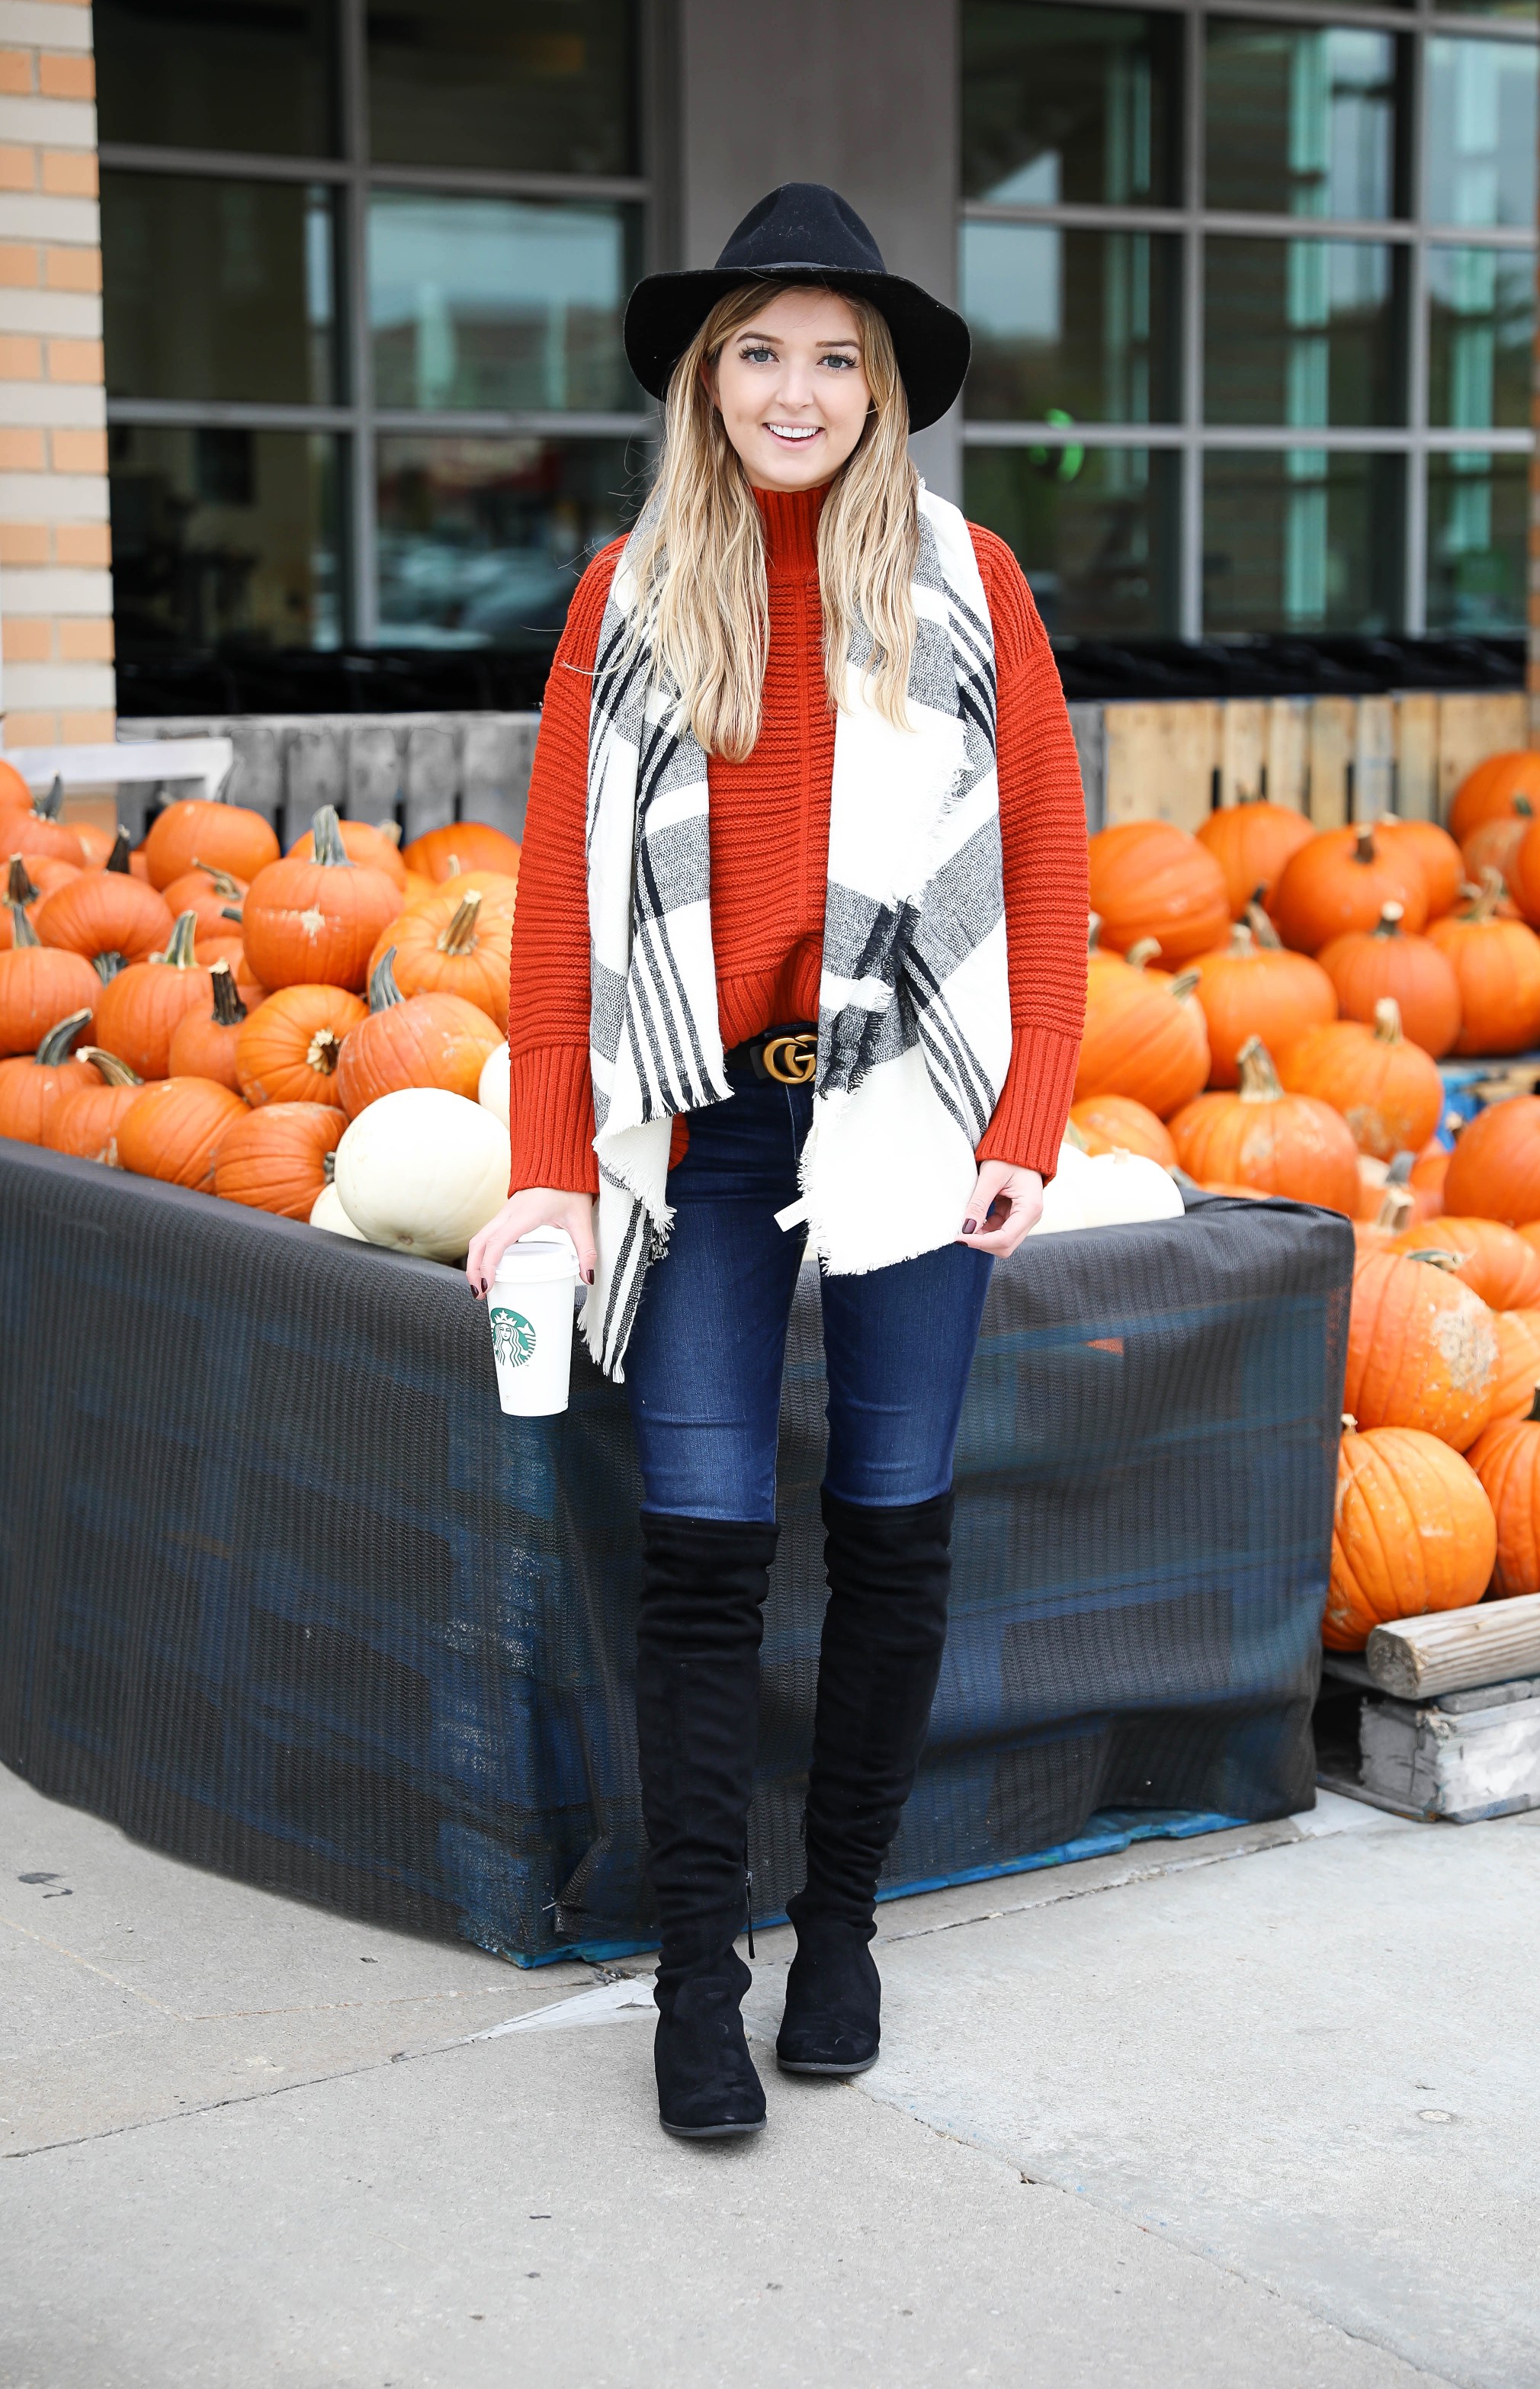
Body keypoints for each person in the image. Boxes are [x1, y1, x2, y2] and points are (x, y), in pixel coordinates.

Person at [467, 183, 1088, 2141]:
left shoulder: (973, 584)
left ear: (880, 384)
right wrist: (554, 1165)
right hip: (707, 1121)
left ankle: (838, 1928)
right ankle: (694, 1978)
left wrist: (1029, 1113)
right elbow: (560, 911)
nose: (796, 387)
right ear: (706, 379)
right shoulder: (627, 593)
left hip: (905, 1104)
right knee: (704, 1546)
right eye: (759, 350)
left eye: (835, 353)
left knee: (897, 1521)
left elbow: (1052, 863)